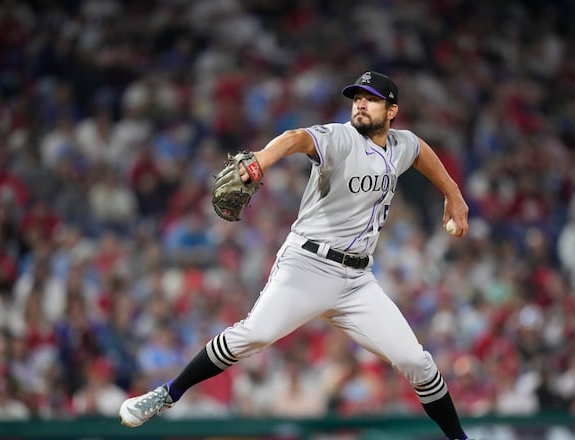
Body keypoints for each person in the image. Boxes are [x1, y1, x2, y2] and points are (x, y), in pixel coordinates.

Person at [119, 71, 472, 440]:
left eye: (371, 99)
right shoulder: (341, 138)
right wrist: (263, 160)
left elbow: (421, 153)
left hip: (357, 282)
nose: (361, 104)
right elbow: (295, 138)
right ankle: (167, 393)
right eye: (357, 98)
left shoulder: (402, 145)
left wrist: (453, 192)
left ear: (392, 109)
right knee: (254, 335)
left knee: (417, 361)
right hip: (308, 265)